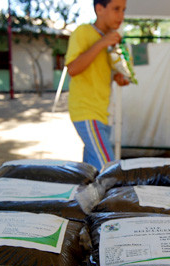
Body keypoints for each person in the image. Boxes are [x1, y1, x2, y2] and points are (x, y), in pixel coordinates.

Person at [65, 0, 129, 169]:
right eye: (116, 9)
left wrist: (119, 77)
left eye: (123, 10)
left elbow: (106, 72)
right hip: (87, 111)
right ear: (99, 9)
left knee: (91, 172)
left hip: (104, 114)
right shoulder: (83, 32)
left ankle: (85, 195)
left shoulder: (113, 41)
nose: (121, 15)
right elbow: (72, 68)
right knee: (110, 169)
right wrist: (102, 43)